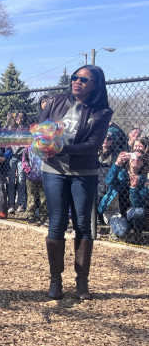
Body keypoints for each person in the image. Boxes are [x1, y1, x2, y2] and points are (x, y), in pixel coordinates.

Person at [40, 65, 113, 301]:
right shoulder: (56, 101)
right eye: (74, 78)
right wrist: (42, 144)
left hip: (83, 171)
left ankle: (82, 282)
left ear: (95, 85)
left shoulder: (102, 112)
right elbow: (40, 130)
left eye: (83, 79)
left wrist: (62, 148)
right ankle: (55, 281)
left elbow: (93, 145)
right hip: (53, 169)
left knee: (82, 224)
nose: (77, 82)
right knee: (57, 223)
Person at [97, 150, 148, 238]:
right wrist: (117, 163)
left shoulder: (144, 181)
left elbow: (138, 204)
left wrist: (134, 188)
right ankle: (119, 227)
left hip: (131, 212)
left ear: (143, 162)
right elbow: (108, 181)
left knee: (140, 212)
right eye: (133, 157)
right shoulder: (121, 173)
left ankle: (137, 233)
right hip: (114, 211)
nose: (136, 160)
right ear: (129, 158)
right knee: (123, 231)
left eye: (140, 158)